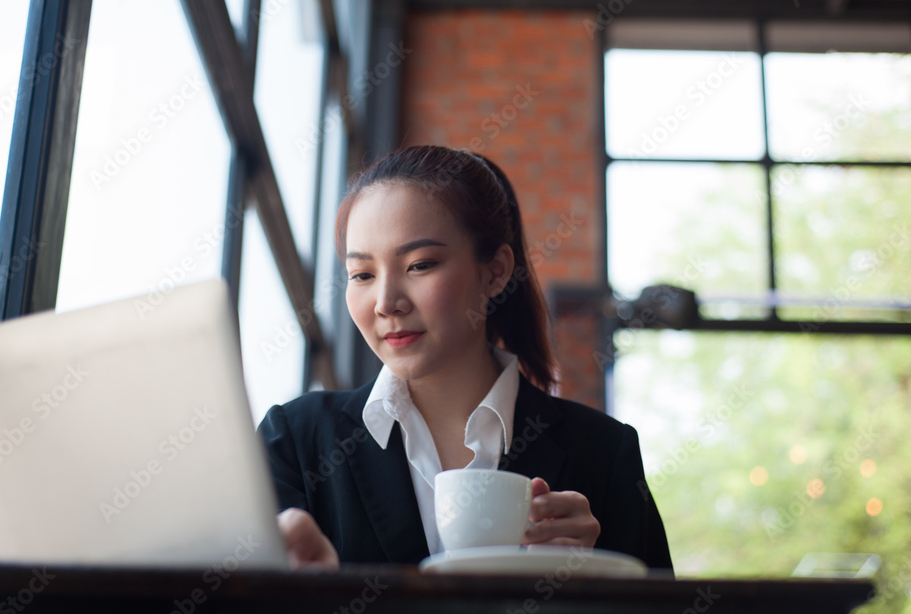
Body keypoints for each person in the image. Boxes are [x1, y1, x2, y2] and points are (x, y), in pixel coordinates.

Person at [258, 145, 672, 570]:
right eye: (362, 274)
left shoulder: (601, 453)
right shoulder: (295, 441)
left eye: (420, 265)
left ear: (495, 272)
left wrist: (598, 583)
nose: (386, 303)